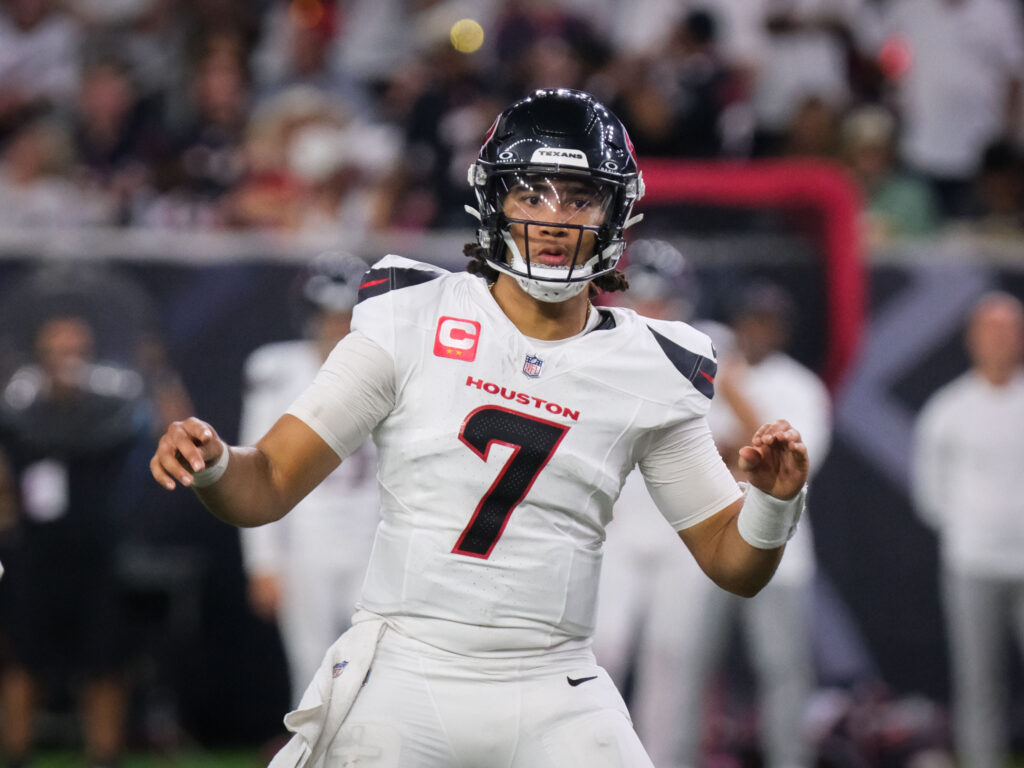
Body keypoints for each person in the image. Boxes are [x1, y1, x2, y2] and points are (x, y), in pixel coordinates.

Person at [150, 88, 810, 768]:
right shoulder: (410, 315)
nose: (555, 219)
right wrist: (217, 464)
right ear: (494, 202)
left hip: (556, 682)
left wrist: (773, 503)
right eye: (533, 194)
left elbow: (733, 564)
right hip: (406, 666)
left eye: (579, 196)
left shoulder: (650, 365)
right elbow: (270, 483)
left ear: (617, 210)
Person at [0, 315, 152, 768]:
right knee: (24, 656)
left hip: (96, 551)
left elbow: (165, 424)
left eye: (76, 353)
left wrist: (157, 372)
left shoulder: (114, 411)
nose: (67, 363)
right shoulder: (19, 412)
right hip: (32, 551)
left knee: (103, 660)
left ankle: (104, 758)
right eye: (57, 353)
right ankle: (16, 754)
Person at [239, 252, 380, 705]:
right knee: (310, 667)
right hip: (305, 538)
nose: (337, 327)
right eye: (329, 316)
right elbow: (254, 467)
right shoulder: (278, 368)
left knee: (379, 667)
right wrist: (262, 562)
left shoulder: (388, 366)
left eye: (346, 317)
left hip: (373, 539)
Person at [911, 291, 1024, 768]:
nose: (998, 339)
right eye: (990, 329)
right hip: (971, 562)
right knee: (977, 679)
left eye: (1008, 330)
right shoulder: (949, 408)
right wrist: (969, 528)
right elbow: (929, 491)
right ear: (973, 338)